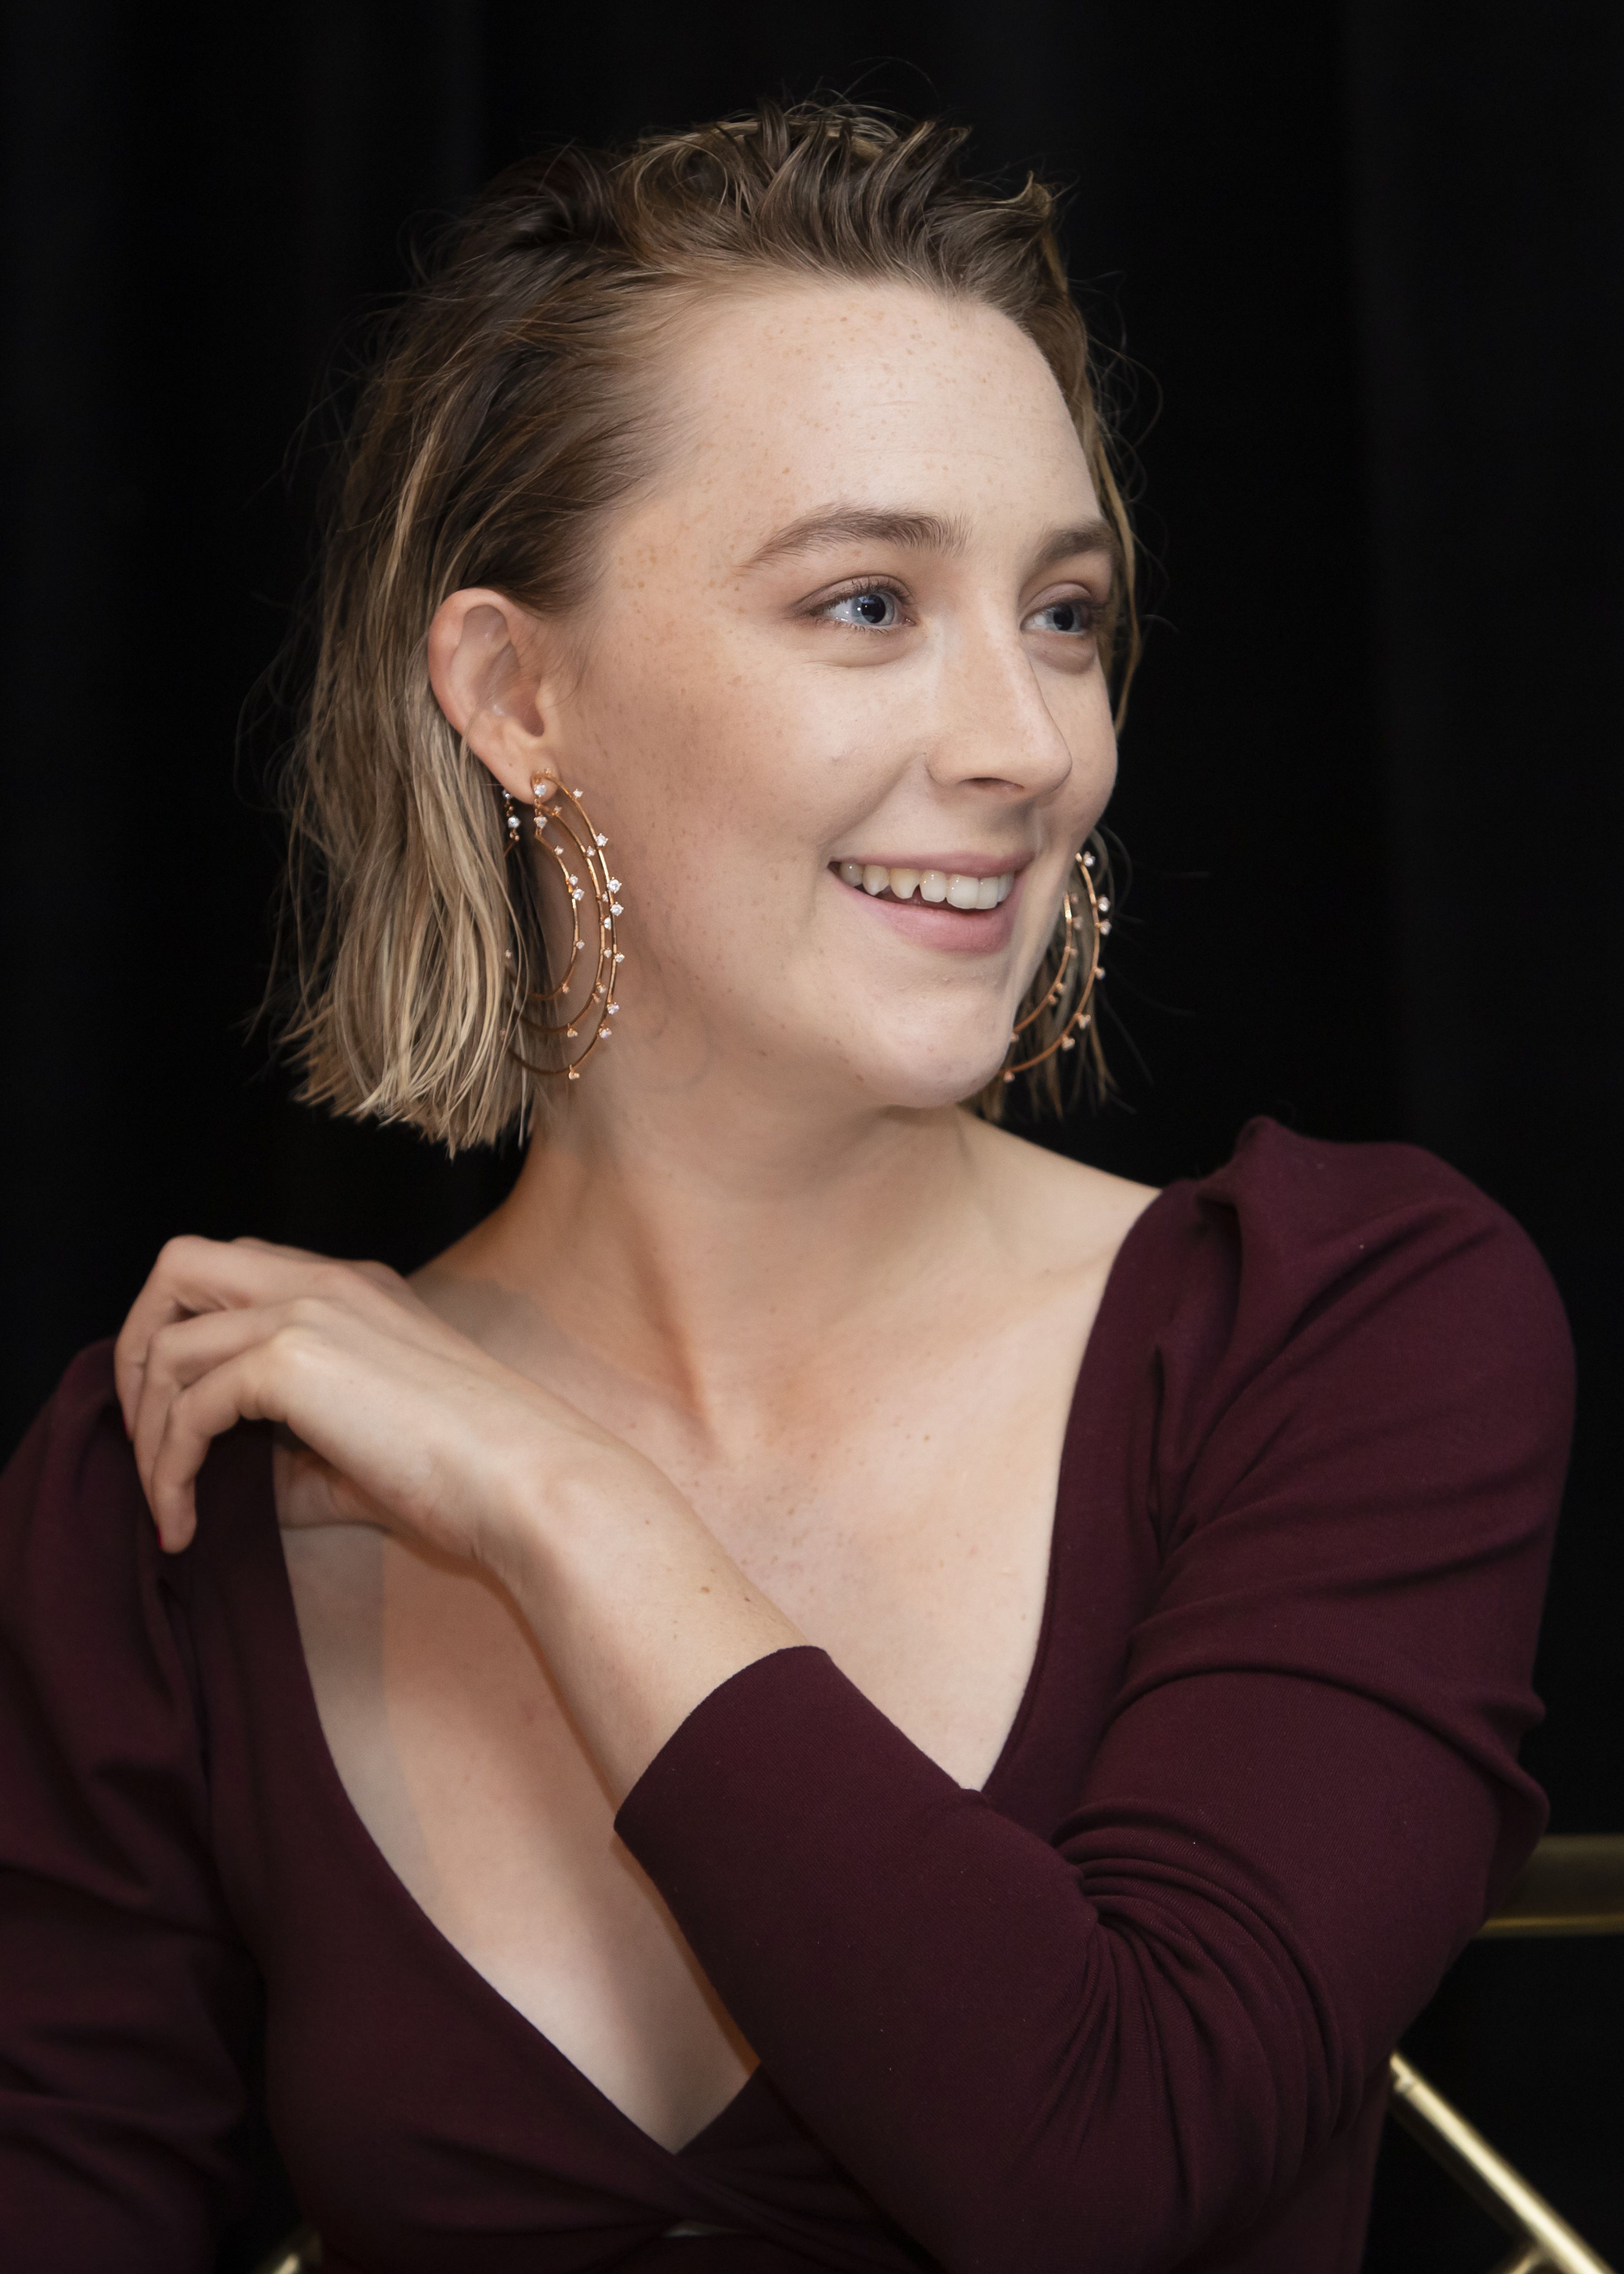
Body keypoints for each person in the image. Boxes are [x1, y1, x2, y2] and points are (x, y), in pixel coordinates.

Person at [0, 102, 1572, 2274]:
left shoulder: (1341, 1329)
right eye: (865, 601)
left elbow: (1104, 2158)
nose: (1027, 743)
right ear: (514, 692)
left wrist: (563, 1507)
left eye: (1062, 612)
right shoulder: (173, 1483)